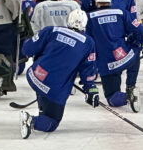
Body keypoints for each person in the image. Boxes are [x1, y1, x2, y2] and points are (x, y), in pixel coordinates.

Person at [19, 9, 99, 138]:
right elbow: (87, 70)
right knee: (51, 123)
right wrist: (91, 89)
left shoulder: (51, 30)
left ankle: (42, 108)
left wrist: (28, 42)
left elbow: (28, 49)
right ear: (85, 25)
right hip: (54, 88)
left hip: (34, 76)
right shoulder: (88, 42)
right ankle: (31, 120)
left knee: (44, 82)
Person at [85, 0, 143, 111]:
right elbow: (139, 29)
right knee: (135, 50)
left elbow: (86, 43)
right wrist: (138, 43)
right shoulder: (121, 12)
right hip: (125, 57)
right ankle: (131, 86)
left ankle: (127, 97)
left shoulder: (89, 18)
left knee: (113, 99)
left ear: (96, 0)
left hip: (107, 65)